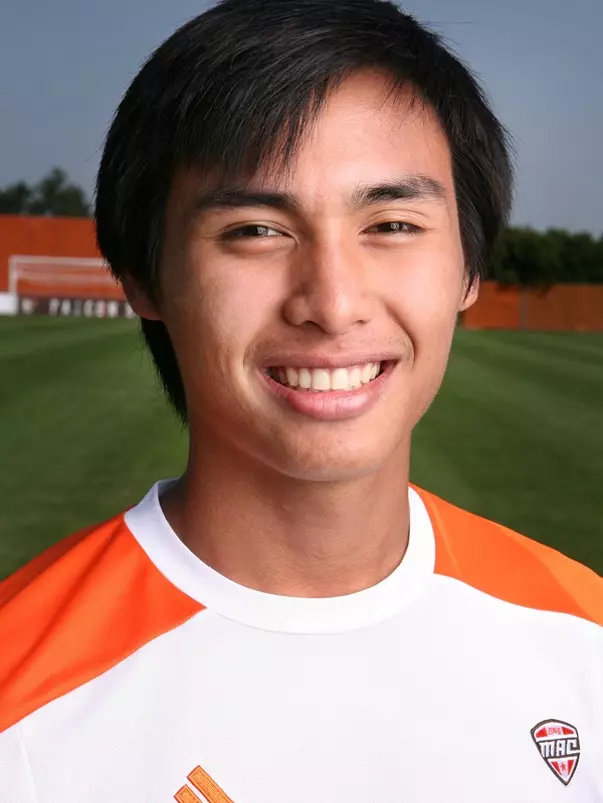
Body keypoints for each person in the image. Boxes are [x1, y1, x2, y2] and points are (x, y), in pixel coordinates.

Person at [0, 0, 601, 800]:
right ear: (144, 275)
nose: (333, 299)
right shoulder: (22, 696)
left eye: (390, 223)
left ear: (467, 270)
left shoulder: (581, 635)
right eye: (255, 229)